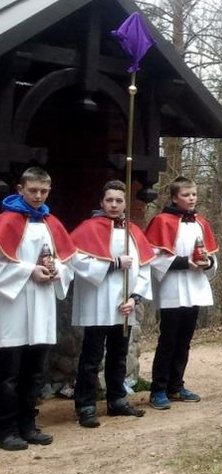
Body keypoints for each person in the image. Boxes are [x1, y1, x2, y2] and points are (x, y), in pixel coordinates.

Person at [0, 167, 76, 450]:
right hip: (12, 306)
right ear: (20, 189)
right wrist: (29, 271)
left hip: (42, 305)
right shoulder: (5, 221)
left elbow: (67, 260)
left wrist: (59, 271)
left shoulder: (51, 223)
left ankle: (28, 424)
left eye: (44, 191)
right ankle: (6, 429)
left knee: (35, 371)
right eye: (33, 191)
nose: (38, 196)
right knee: (8, 374)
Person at [69, 181, 154, 428]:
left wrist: (134, 298)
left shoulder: (133, 232)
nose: (114, 205)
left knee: (118, 356)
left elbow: (145, 268)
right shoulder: (87, 228)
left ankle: (117, 399)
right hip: (97, 302)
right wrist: (113, 263)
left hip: (124, 305)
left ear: (125, 203)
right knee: (91, 357)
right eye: (109, 200)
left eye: (119, 200)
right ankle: (85, 404)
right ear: (101, 202)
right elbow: (76, 260)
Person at [145, 176, 219, 410]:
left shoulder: (201, 223)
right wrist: (185, 263)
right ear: (175, 198)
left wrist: (207, 263)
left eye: (194, 194)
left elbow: (211, 254)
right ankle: (158, 389)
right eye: (186, 195)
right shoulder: (161, 221)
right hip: (173, 288)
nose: (191, 199)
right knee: (168, 340)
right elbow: (154, 257)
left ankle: (176, 385)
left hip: (194, 287)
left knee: (184, 341)